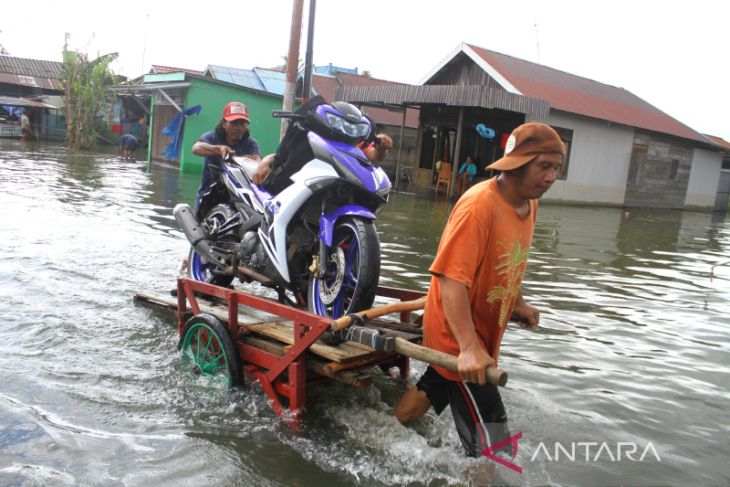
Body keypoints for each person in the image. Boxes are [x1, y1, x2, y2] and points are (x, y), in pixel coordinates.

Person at [393, 122, 565, 460]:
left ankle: (384, 431)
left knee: (433, 388)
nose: (551, 177)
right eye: (543, 166)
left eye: (556, 168)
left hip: (481, 334)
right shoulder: (479, 205)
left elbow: (509, 259)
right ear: (517, 163)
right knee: (496, 447)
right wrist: (469, 348)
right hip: (457, 336)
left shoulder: (529, 204)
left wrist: (519, 302)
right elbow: (450, 278)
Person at [192, 101, 261, 210]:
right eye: (234, 123)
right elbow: (196, 148)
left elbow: (257, 160)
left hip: (236, 199)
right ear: (224, 124)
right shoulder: (212, 137)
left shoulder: (250, 143)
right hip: (208, 196)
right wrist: (219, 149)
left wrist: (241, 159)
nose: (238, 128)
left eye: (242, 124)